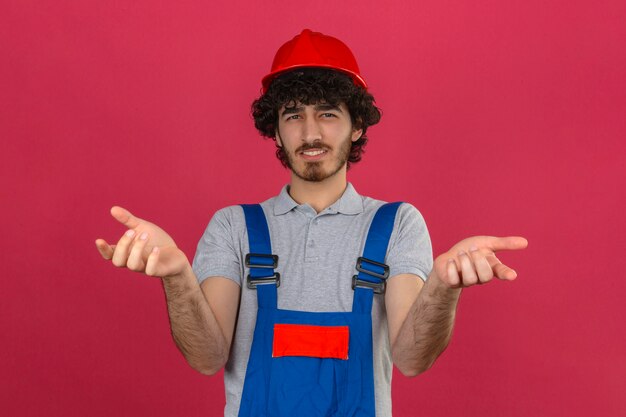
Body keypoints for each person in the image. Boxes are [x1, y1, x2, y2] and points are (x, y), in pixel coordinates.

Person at [95, 29, 528, 417]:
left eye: (327, 114)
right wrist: (177, 278)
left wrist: (443, 288)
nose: (310, 133)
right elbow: (207, 358)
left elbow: (412, 359)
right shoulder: (233, 227)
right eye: (293, 115)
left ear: (357, 125)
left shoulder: (397, 224)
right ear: (276, 131)